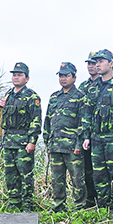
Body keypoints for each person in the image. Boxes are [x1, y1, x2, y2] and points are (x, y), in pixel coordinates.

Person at [82, 49, 113, 214]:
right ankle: (103, 207)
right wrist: (86, 136)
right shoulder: (93, 87)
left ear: (111, 63)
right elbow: (87, 114)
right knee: (99, 175)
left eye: (101, 61)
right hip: (96, 139)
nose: (97, 64)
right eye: (96, 62)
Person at [43, 62, 88, 212]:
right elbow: (48, 121)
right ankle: (58, 205)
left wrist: (78, 144)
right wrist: (47, 143)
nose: (63, 79)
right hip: (55, 145)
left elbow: (83, 122)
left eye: (66, 75)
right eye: (61, 76)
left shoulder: (80, 97)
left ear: (74, 77)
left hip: (72, 147)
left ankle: (79, 206)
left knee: (77, 179)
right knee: (57, 179)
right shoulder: (54, 97)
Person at [0, 62, 42, 212]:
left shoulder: (32, 97)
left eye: (19, 75)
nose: (16, 77)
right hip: (9, 141)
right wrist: (0, 109)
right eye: (14, 74)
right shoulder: (8, 95)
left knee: (26, 174)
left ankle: (27, 204)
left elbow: (36, 121)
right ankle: (13, 203)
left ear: (27, 78)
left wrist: (32, 141)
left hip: (23, 142)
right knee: (10, 174)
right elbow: (4, 120)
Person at [78, 52, 101, 207]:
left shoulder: (106, 84)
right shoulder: (82, 87)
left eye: (94, 63)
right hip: (85, 134)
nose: (91, 67)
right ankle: (89, 200)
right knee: (86, 170)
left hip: (100, 134)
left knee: (101, 171)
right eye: (89, 64)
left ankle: (104, 200)